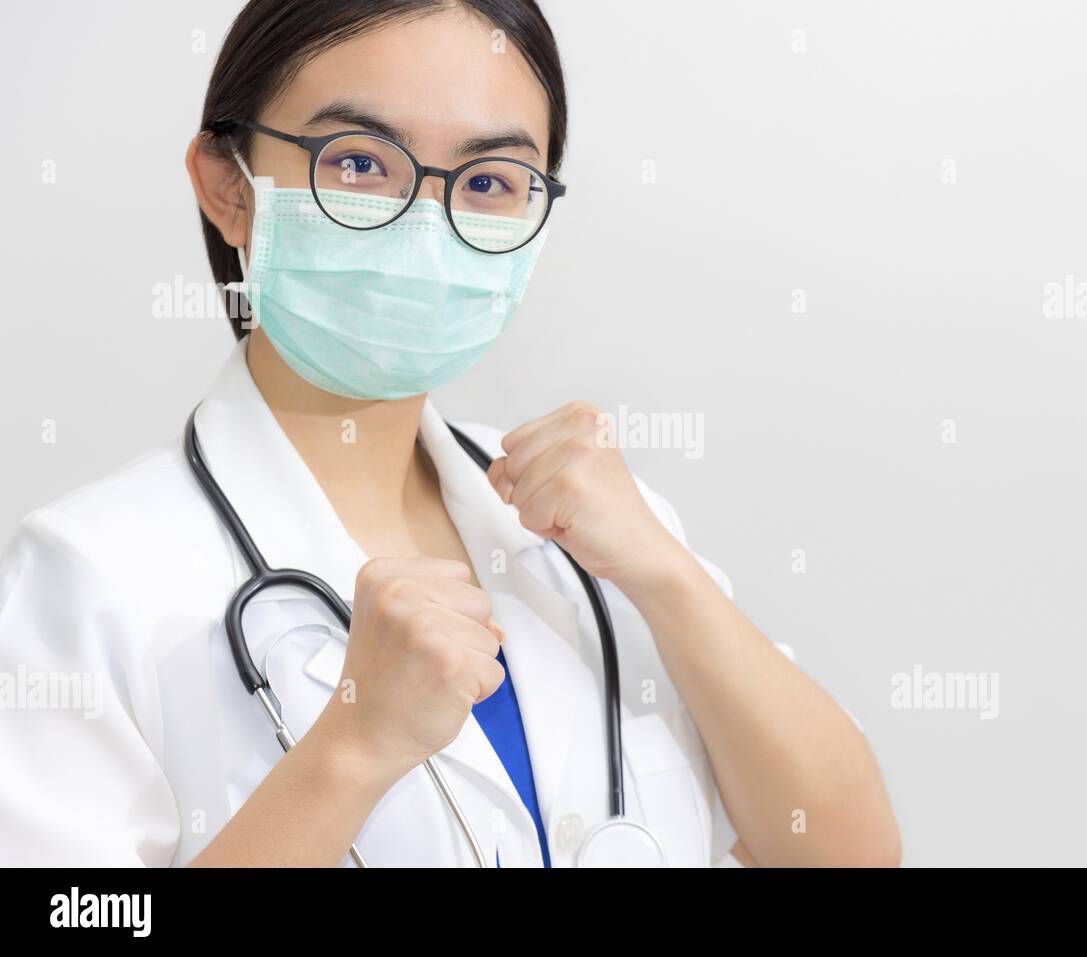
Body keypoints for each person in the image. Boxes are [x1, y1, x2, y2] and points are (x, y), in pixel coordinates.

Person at [0, 0, 899, 867]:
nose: (426, 224)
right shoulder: (86, 578)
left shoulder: (598, 537)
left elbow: (847, 853)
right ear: (229, 188)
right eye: (357, 163)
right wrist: (349, 751)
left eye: (487, 182)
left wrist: (669, 575)